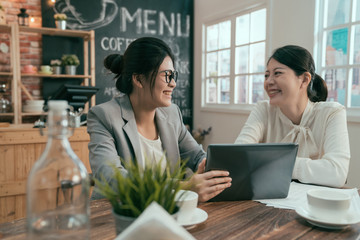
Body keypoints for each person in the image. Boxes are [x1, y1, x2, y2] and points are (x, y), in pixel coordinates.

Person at [87, 37, 232, 202]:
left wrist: (206, 164)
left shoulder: (172, 113)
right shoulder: (103, 116)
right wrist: (183, 186)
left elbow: (196, 154)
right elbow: (112, 178)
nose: (174, 84)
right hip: (114, 215)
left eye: (173, 75)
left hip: (166, 212)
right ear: (139, 79)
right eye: (167, 76)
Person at [235, 45, 350, 188]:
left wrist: (274, 163)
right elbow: (237, 156)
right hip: (270, 200)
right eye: (266, 75)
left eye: (277, 73)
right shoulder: (263, 109)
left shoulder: (332, 113)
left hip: (316, 203)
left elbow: (337, 173)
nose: (269, 81)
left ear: (304, 80)